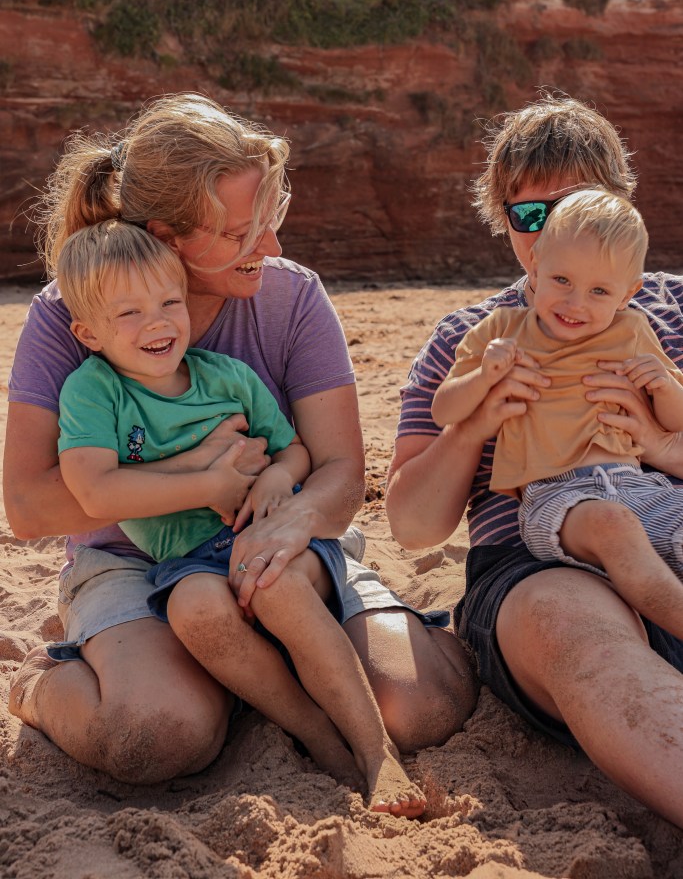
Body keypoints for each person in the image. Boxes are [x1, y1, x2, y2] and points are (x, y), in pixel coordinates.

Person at [6, 92, 478, 793]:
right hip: (132, 560)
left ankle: (291, 666)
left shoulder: (293, 298)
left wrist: (283, 529)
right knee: (158, 737)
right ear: (166, 237)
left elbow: (341, 472)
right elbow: (30, 510)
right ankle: (42, 688)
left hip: (276, 543)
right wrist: (199, 474)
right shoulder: (72, 314)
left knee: (419, 709)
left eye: (272, 219)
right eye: (239, 233)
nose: (272, 248)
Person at [54, 219, 424, 815]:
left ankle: (377, 752)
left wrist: (277, 476)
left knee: (273, 587)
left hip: (268, 535)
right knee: (193, 609)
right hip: (183, 558)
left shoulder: (227, 378)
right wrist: (210, 479)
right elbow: (95, 492)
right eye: (129, 314)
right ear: (87, 332)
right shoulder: (93, 391)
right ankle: (315, 732)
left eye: (170, 302)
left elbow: (295, 450)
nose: (157, 323)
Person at [385, 93, 683, 827]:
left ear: (618, 205)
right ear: (504, 223)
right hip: (535, 561)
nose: (553, 228)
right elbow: (414, 526)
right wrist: (474, 424)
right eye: (529, 216)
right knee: (580, 636)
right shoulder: (475, 336)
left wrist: (658, 443)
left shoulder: (670, 312)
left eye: (576, 201)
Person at [432, 189, 683, 639]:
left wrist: (664, 387)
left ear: (629, 294)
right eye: (561, 280)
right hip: (555, 497)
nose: (575, 304)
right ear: (534, 267)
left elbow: (677, 420)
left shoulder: (632, 330)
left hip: (640, 484)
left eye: (599, 291)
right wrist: (483, 377)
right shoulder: (503, 330)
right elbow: (443, 409)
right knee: (614, 527)